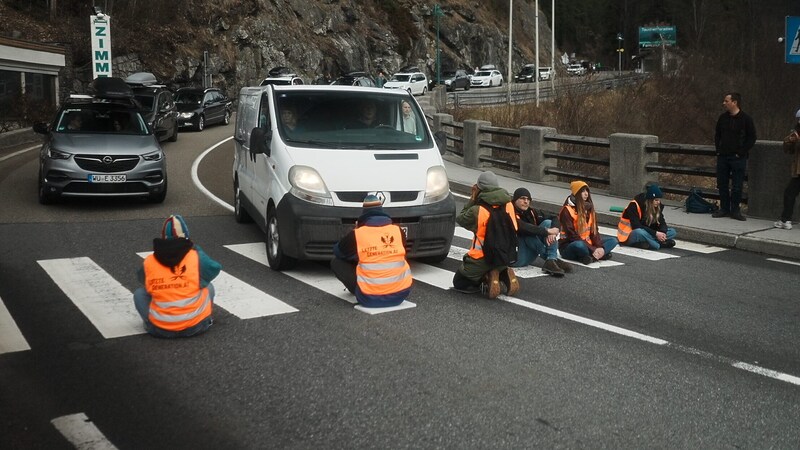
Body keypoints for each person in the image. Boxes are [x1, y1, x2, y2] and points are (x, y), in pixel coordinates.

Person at [133, 215, 222, 338]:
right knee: (208, 286)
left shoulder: (150, 261)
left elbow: (142, 280)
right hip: (196, 327)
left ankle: (151, 325)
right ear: (186, 236)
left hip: (161, 330)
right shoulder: (195, 256)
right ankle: (206, 320)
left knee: (139, 294)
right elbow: (214, 268)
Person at [331, 194, 413, 308]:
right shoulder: (397, 231)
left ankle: (357, 290)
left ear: (364, 213)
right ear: (382, 211)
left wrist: (356, 231)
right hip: (401, 294)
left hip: (369, 298)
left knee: (336, 262)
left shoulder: (358, 234)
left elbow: (338, 252)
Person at [452, 171, 520, 299]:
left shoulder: (477, 210)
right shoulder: (509, 205)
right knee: (498, 265)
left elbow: (461, 219)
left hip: (482, 258)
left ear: (479, 188)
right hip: (504, 257)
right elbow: (515, 228)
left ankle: (487, 277)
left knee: (460, 282)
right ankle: (502, 272)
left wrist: (473, 198)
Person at [713, 92, 757, 221]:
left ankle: (735, 210)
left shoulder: (746, 119)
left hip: (738, 157)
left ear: (734, 102)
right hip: (723, 156)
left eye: (726, 101)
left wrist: (741, 152)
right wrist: (718, 150)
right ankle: (724, 208)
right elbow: (717, 134)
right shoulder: (723, 118)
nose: (724, 103)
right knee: (722, 183)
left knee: (737, 185)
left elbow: (752, 137)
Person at [510, 187, 572, 276]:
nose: (526, 201)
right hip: (516, 257)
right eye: (522, 198)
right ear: (515, 200)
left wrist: (555, 230)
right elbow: (523, 227)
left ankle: (551, 259)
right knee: (528, 234)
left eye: (528, 199)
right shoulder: (509, 212)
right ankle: (552, 259)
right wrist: (547, 231)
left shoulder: (531, 211)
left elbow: (554, 217)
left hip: (528, 256)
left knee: (548, 222)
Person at [558, 180, 618, 265]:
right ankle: (596, 255)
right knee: (579, 245)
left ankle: (591, 256)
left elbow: (594, 232)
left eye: (587, 191)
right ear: (577, 193)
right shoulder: (567, 210)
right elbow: (572, 236)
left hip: (588, 244)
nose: (586, 194)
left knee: (613, 240)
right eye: (583, 191)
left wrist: (598, 247)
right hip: (570, 245)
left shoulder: (589, 209)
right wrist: (592, 249)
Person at [616, 184, 677, 250]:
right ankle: (658, 244)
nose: (658, 202)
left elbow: (662, 222)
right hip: (630, 234)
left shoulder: (657, 207)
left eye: (659, 200)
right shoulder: (634, 205)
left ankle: (648, 242)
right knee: (640, 232)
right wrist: (655, 233)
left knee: (672, 232)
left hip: (648, 232)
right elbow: (636, 226)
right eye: (656, 200)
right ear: (650, 200)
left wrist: (663, 233)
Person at [775, 108, 800, 230]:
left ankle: (786, 219)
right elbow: (788, 150)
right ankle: (785, 219)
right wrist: (789, 141)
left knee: (789, 193)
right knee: (789, 193)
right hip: (798, 170)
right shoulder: (796, 132)